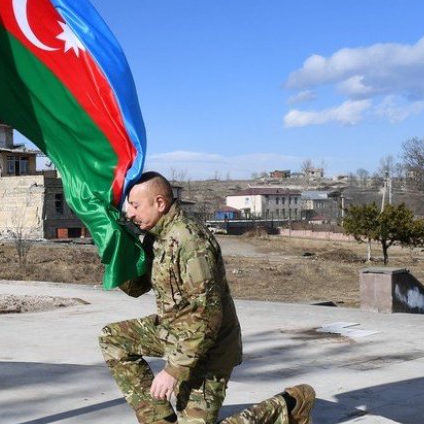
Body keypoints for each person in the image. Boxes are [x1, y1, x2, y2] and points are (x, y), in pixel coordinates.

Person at [100, 171, 315, 423]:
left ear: (160, 203)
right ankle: (158, 419)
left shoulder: (190, 240)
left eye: (135, 206)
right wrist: (115, 252)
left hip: (208, 347)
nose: (129, 213)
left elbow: (207, 317)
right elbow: (136, 288)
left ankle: (289, 405)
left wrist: (173, 370)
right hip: (175, 332)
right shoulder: (156, 237)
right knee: (114, 338)